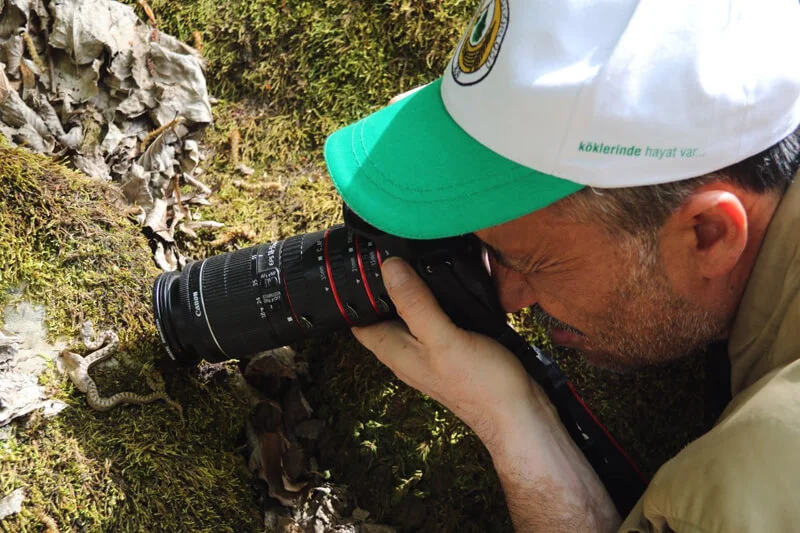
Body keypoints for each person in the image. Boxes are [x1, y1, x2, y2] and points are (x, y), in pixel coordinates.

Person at [323, 1, 800, 531]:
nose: (506, 298)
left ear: (708, 235)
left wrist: (513, 422)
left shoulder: (771, 460)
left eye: (530, 263)